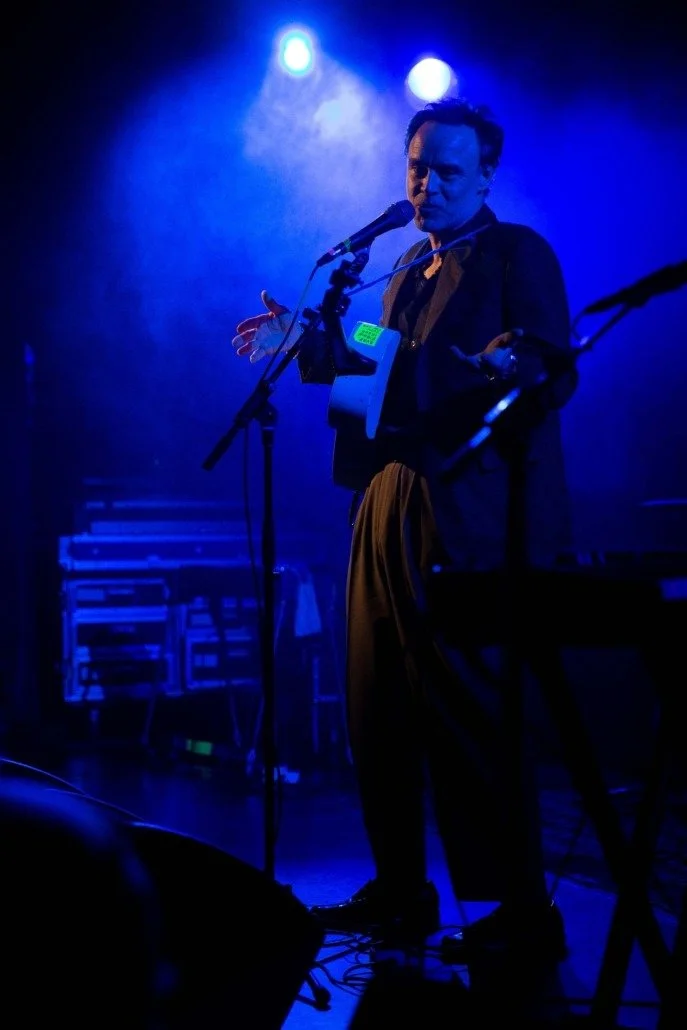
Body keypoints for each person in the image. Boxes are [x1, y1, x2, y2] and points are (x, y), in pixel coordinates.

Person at [232, 96, 577, 964]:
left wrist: (507, 368)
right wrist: (300, 343)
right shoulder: (399, 272)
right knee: (374, 695)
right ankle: (399, 886)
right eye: (416, 166)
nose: (425, 184)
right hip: (385, 496)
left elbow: (544, 372)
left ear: (486, 175)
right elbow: (370, 377)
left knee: (468, 708)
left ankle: (516, 913)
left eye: (447, 170)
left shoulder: (514, 254)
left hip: (467, 510)